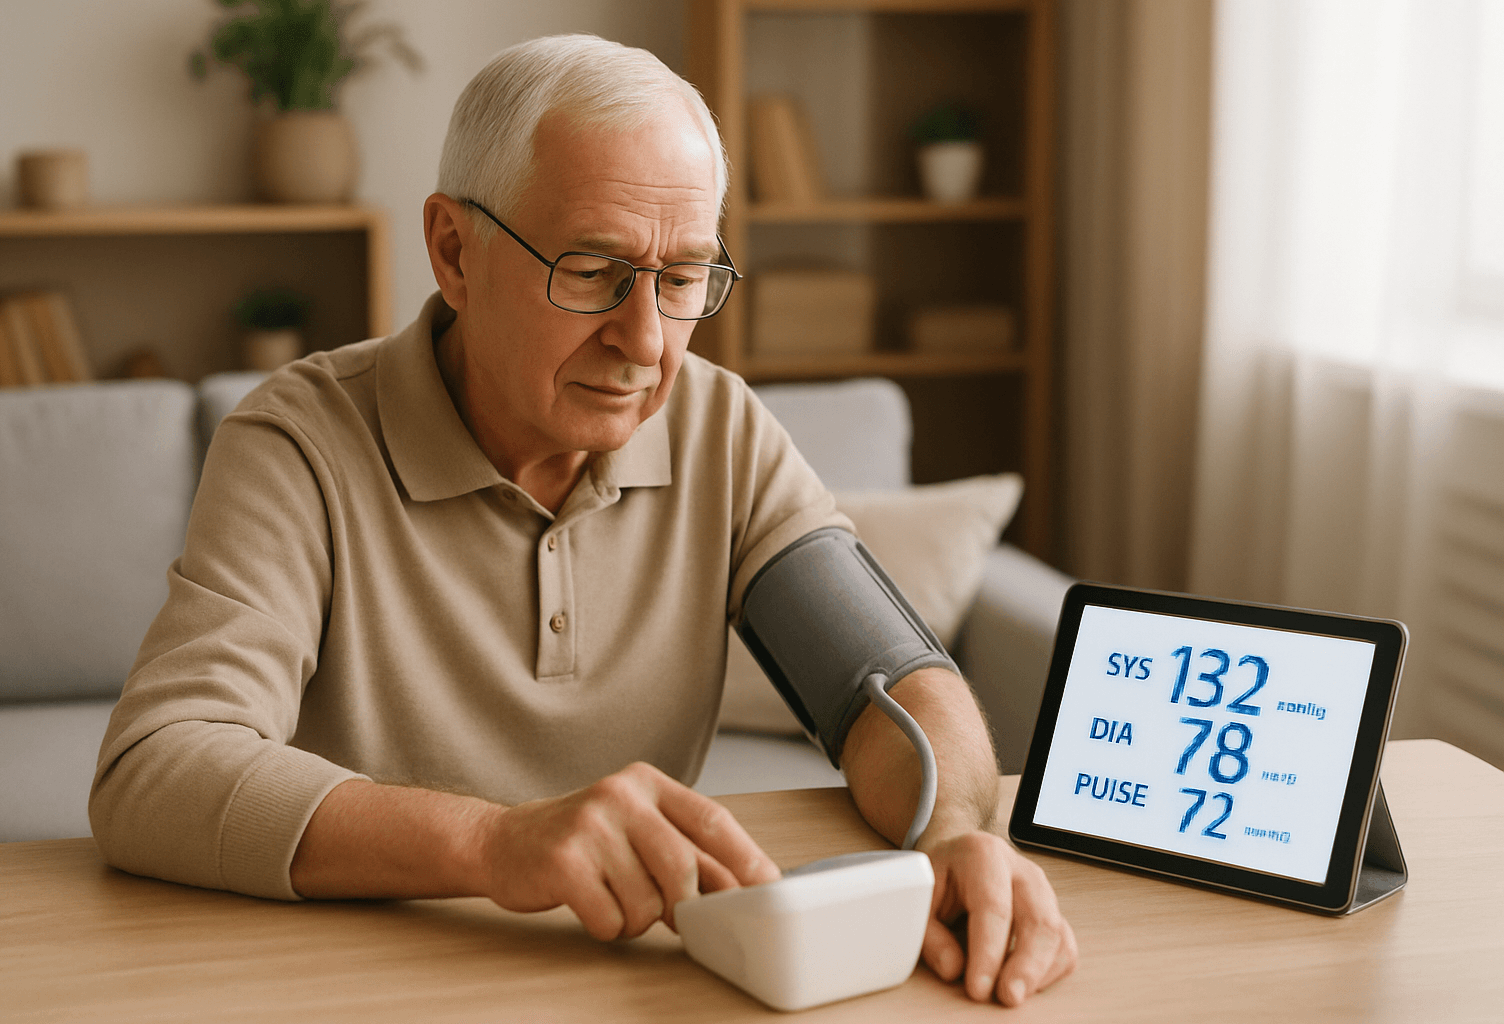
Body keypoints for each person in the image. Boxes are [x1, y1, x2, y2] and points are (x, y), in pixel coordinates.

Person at [90, 34, 1076, 1007]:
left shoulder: (719, 427)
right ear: (453, 251)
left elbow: (893, 686)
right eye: (594, 269)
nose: (645, 340)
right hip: (354, 983)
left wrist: (957, 838)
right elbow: (156, 767)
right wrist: (492, 842)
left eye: (683, 277)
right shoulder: (297, 443)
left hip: (632, 981)